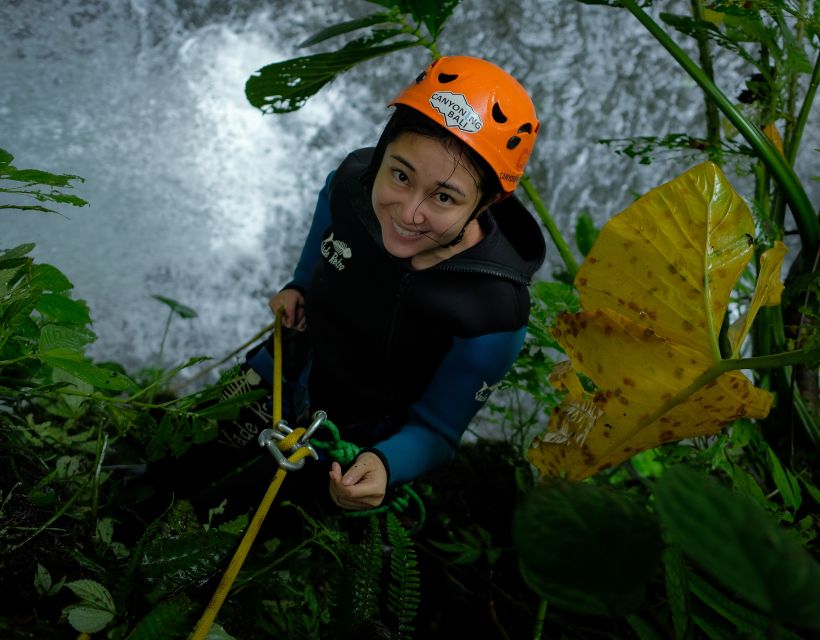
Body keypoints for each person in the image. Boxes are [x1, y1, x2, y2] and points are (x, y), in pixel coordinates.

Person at [218, 55, 546, 514]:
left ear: (487, 202)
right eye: (400, 174)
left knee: (250, 514)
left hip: (352, 440)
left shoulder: (492, 309)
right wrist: (297, 288)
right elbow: (322, 248)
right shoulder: (352, 186)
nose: (407, 212)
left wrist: (386, 464)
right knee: (187, 450)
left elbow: (438, 430)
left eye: (444, 197)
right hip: (286, 364)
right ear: (382, 148)